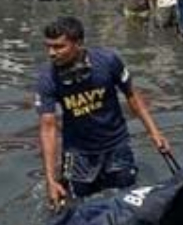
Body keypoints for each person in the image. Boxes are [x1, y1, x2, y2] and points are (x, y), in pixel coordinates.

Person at [35, 17, 170, 208]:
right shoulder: (47, 78)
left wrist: (154, 132)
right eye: (48, 46)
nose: (51, 53)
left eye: (59, 47)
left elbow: (132, 94)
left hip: (116, 145)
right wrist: (50, 179)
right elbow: (48, 128)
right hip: (78, 152)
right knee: (74, 206)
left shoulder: (108, 61)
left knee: (129, 202)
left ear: (79, 43)